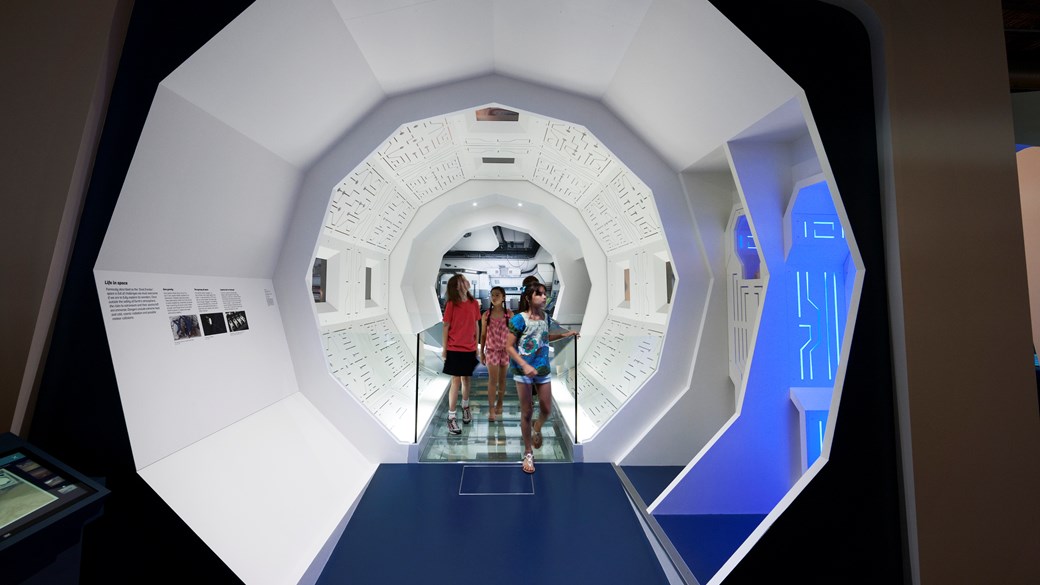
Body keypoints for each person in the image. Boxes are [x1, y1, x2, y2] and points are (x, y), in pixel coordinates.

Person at [506, 282, 578, 473]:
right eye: (539, 294)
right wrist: (525, 365)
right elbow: (509, 346)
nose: (544, 297)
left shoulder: (545, 318)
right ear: (529, 298)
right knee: (527, 411)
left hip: (543, 369)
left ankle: (537, 427)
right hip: (523, 372)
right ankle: (528, 452)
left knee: (546, 409)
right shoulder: (518, 320)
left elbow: (544, 338)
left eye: (544, 294)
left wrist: (565, 334)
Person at [442, 274, 480, 435]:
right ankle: (451, 417)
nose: (467, 282)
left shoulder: (474, 303)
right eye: (463, 280)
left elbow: (476, 324)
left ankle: (465, 407)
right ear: (457, 286)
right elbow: (446, 326)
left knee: (466, 379)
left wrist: (476, 345)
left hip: (469, 348)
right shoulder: (452, 304)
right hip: (454, 348)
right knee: (455, 380)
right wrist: (445, 348)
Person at [479, 286, 513, 422]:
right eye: (492, 295)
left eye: (497, 295)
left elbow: (513, 334)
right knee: (492, 380)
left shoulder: (509, 315)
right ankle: (491, 409)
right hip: (492, 350)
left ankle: (500, 403)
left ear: (503, 297)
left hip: (505, 351)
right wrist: (481, 352)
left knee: (502, 380)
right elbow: (483, 335)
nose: (494, 297)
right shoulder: (486, 315)